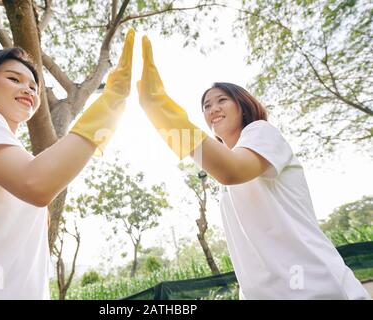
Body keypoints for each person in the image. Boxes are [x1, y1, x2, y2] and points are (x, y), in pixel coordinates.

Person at [136, 35, 371, 300]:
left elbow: (231, 170)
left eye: (221, 100)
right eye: (206, 105)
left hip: (317, 289)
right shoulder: (225, 170)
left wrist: (160, 110)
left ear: (242, 103)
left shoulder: (262, 133)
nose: (212, 108)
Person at [0, 29, 135, 299]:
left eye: (34, 86)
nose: (28, 89)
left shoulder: (15, 158)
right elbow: (36, 183)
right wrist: (110, 103)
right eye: (14, 79)